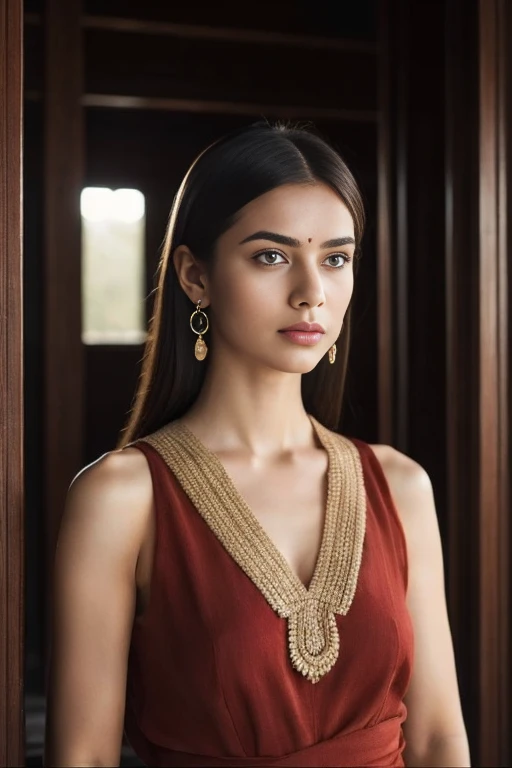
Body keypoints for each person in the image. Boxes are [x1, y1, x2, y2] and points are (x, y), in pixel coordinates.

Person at [44, 121, 470, 767]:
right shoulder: (122, 496)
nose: (311, 292)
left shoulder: (400, 485)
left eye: (336, 258)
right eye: (271, 256)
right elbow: (84, 757)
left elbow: (440, 740)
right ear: (195, 276)